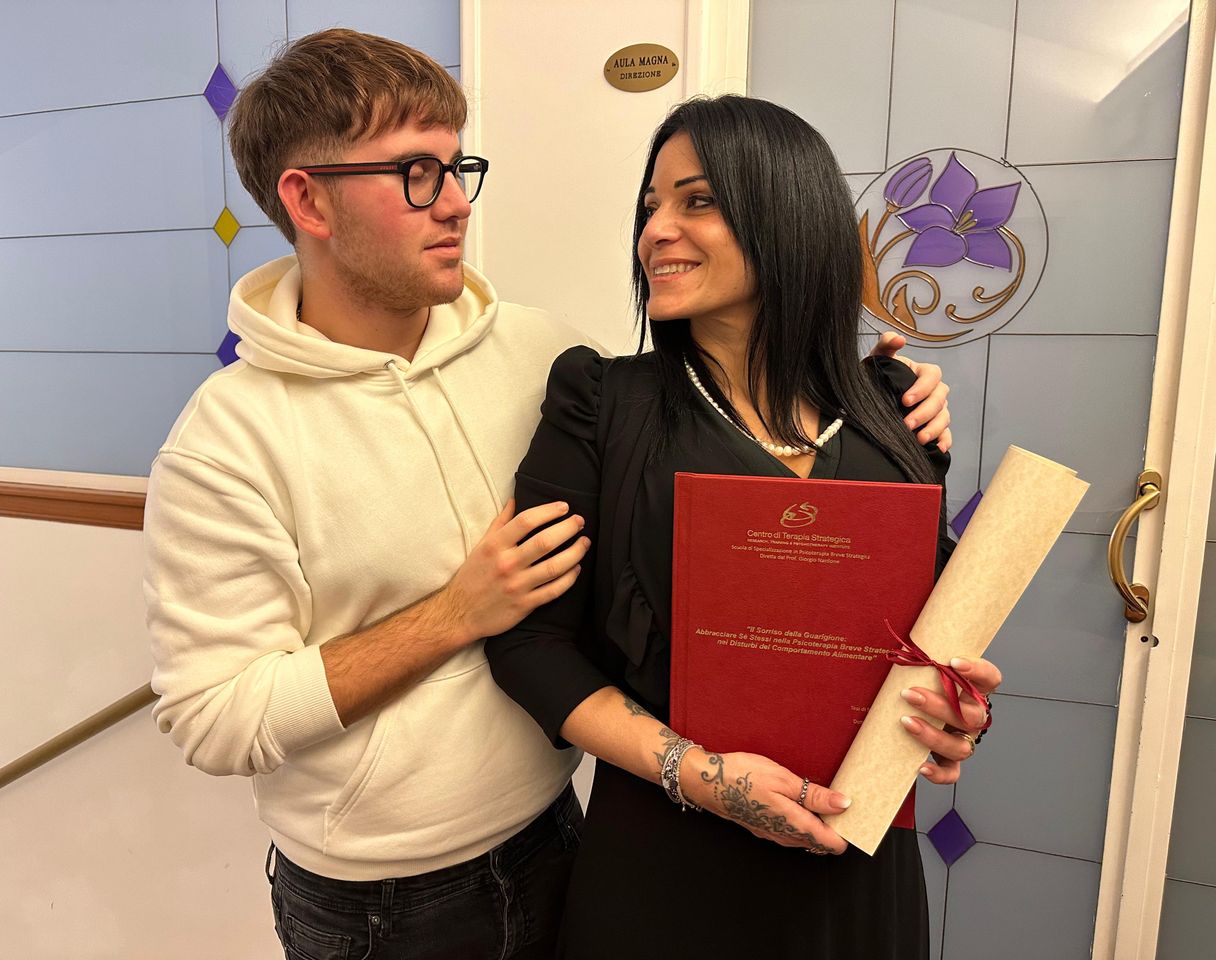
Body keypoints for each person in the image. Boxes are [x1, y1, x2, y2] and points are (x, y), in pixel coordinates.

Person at [143, 31, 954, 960]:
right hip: (383, 906)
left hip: (558, 838)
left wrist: (883, 409)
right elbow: (214, 719)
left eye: (457, 168)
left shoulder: (540, 355)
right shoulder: (225, 442)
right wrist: (453, 615)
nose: (457, 203)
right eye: (416, 173)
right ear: (307, 199)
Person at [485, 95, 1000, 959]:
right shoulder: (601, 404)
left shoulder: (896, 412)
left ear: (788, 213)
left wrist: (959, 709)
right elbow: (529, 645)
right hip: (667, 869)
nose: (655, 231)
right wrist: (701, 776)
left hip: (855, 869)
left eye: (697, 201)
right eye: (650, 206)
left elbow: (931, 635)